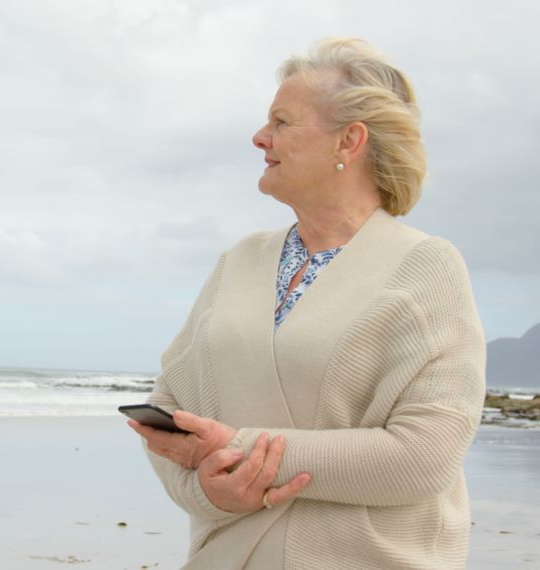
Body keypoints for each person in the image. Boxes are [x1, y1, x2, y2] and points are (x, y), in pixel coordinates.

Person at [128, 37, 486, 569]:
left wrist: (243, 450)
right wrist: (210, 493)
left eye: (281, 122)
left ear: (349, 141)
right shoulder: (240, 260)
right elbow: (172, 413)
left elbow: (423, 459)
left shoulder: (427, 267)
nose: (259, 137)